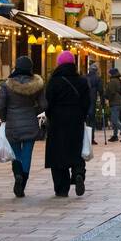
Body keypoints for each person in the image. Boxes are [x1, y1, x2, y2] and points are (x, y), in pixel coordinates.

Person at [0, 55, 45, 197]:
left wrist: (5, 117)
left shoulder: (7, 85)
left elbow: (0, 105)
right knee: (27, 154)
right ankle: (22, 184)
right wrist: (32, 111)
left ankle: (17, 175)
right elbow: (44, 105)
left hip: (12, 125)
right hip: (30, 124)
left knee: (16, 153)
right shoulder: (37, 85)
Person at [44, 50, 90, 197]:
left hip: (57, 120)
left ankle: (61, 188)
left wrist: (50, 116)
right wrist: (81, 115)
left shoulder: (54, 81)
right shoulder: (82, 81)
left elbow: (47, 103)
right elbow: (87, 102)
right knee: (76, 150)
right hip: (76, 119)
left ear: (59, 64)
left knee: (58, 154)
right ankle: (78, 174)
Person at [105, 67, 121, 142]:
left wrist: (107, 99)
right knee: (115, 119)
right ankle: (115, 136)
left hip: (115, 102)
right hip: (119, 102)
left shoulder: (113, 81)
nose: (108, 74)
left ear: (112, 74)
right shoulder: (118, 80)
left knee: (114, 119)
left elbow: (111, 92)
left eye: (109, 73)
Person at [85, 61, 103, 145]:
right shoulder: (97, 78)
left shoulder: (85, 77)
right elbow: (101, 90)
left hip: (84, 101)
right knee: (92, 120)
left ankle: (85, 138)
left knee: (85, 120)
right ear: (96, 70)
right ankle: (91, 138)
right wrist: (102, 101)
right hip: (92, 100)